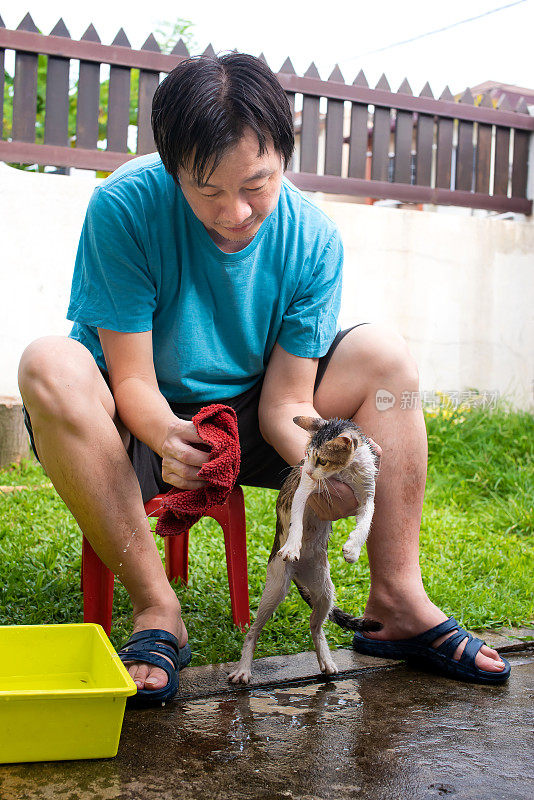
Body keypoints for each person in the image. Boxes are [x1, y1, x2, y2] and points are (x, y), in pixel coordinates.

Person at [18, 53, 509, 706]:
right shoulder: (126, 207)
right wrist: (170, 435)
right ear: (172, 170)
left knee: (390, 362)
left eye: (257, 184)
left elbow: (286, 401)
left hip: (250, 409)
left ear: (284, 153)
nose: (237, 212)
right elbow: (132, 380)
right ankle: (157, 610)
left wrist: (316, 465)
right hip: (130, 418)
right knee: (47, 363)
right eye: (207, 190)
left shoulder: (313, 239)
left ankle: (398, 601)